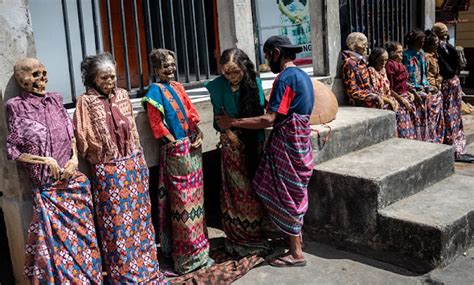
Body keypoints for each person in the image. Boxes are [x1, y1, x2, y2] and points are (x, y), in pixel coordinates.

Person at [217, 35, 314, 267]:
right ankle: (295, 240)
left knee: (286, 193)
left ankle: (296, 253)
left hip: (288, 143)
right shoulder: (302, 75)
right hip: (300, 142)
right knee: (294, 191)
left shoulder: (285, 79)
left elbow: (269, 119)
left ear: (276, 53)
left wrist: (233, 122)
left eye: (268, 56)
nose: (267, 61)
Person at [6, 58, 102, 284]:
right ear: (22, 79)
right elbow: (13, 150)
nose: (42, 81)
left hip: (74, 187)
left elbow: (72, 137)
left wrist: (74, 160)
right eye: (34, 75)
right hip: (48, 191)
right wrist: (44, 160)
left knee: (85, 243)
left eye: (43, 74)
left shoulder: (55, 100)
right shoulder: (16, 106)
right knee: (58, 251)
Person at [73, 53, 166, 284]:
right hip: (109, 171)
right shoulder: (85, 102)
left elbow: (132, 131)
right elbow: (84, 138)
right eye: (104, 77)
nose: (110, 82)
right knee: (116, 226)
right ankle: (125, 274)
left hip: (133, 166)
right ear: (92, 78)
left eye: (113, 77)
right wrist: (104, 156)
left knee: (140, 221)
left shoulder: (123, 95)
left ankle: (146, 268)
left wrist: (137, 161)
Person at [142, 48, 212, 274]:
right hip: (177, 154)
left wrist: (199, 133)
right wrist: (175, 144)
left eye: (172, 64)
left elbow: (191, 114)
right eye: (165, 66)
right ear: (156, 69)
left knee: (197, 204)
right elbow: (157, 125)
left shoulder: (178, 87)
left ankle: (201, 254)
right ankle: (185, 258)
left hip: (192, 150)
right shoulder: (155, 91)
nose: (170, 69)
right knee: (182, 205)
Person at [204, 48, 271, 257]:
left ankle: (255, 235)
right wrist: (227, 132)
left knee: (253, 191)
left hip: (254, 145)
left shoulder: (254, 83)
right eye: (227, 73)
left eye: (236, 72)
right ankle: (237, 236)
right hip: (231, 148)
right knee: (235, 193)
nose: (232, 77)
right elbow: (218, 118)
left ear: (244, 68)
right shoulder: (215, 87)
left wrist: (235, 127)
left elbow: (259, 116)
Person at [432, 22, 473, 162]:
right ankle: (452, 147)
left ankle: (459, 147)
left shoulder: (447, 46)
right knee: (448, 115)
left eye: (445, 31)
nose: (445, 33)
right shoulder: (436, 49)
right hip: (446, 85)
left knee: (456, 114)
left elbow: (456, 62)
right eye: (441, 31)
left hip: (453, 84)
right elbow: (445, 68)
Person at [403, 29, 444, 143]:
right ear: (413, 42)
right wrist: (415, 88)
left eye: (423, 41)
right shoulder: (406, 55)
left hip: (423, 86)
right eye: (420, 41)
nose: (422, 44)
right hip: (412, 87)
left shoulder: (421, 54)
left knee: (437, 96)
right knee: (423, 98)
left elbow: (424, 74)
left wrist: (427, 86)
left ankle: (431, 133)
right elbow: (407, 75)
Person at [368, 48, 416, 139]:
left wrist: (400, 98)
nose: (383, 63)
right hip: (381, 100)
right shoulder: (371, 70)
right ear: (374, 59)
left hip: (389, 98)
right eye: (381, 60)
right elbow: (375, 91)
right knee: (399, 110)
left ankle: (406, 137)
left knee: (406, 106)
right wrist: (389, 100)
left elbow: (389, 89)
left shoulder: (383, 70)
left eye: (385, 60)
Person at [385, 42, 420, 140]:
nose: (401, 54)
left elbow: (404, 84)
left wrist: (410, 92)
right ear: (392, 53)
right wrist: (402, 99)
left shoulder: (401, 65)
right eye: (399, 52)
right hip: (396, 97)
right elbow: (390, 88)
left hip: (404, 95)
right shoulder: (390, 65)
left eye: (402, 52)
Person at [341, 32, 384, 108]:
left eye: (366, 44)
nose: (366, 46)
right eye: (363, 43)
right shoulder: (349, 63)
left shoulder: (361, 61)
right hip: (360, 101)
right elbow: (353, 91)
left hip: (368, 97)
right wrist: (373, 96)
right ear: (352, 44)